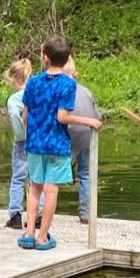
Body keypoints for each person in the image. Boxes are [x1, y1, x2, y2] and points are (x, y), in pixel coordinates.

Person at [20, 38, 102, 251]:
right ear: (67, 61)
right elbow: (63, 117)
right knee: (51, 190)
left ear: (45, 58)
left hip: (35, 143)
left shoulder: (33, 82)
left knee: (34, 188)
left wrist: (29, 134)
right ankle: (42, 237)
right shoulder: (68, 84)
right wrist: (88, 121)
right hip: (57, 144)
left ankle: (28, 233)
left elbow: (25, 114)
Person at [63, 58, 102, 224]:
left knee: (53, 175)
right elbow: (98, 116)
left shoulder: (59, 90)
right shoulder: (86, 91)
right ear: (75, 73)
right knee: (85, 174)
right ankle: (86, 214)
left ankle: (41, 212)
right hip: (87, 135)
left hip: (67, 136)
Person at [4, 59, 34, 230]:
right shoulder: (35, 93)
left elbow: (16, 117)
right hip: (37, 141)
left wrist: (20, 134)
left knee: (17, 179)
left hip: (22, 142)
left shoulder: (14, 99)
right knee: (37, 179)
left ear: (15, 77)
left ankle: (15, 215)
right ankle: (38, 214)